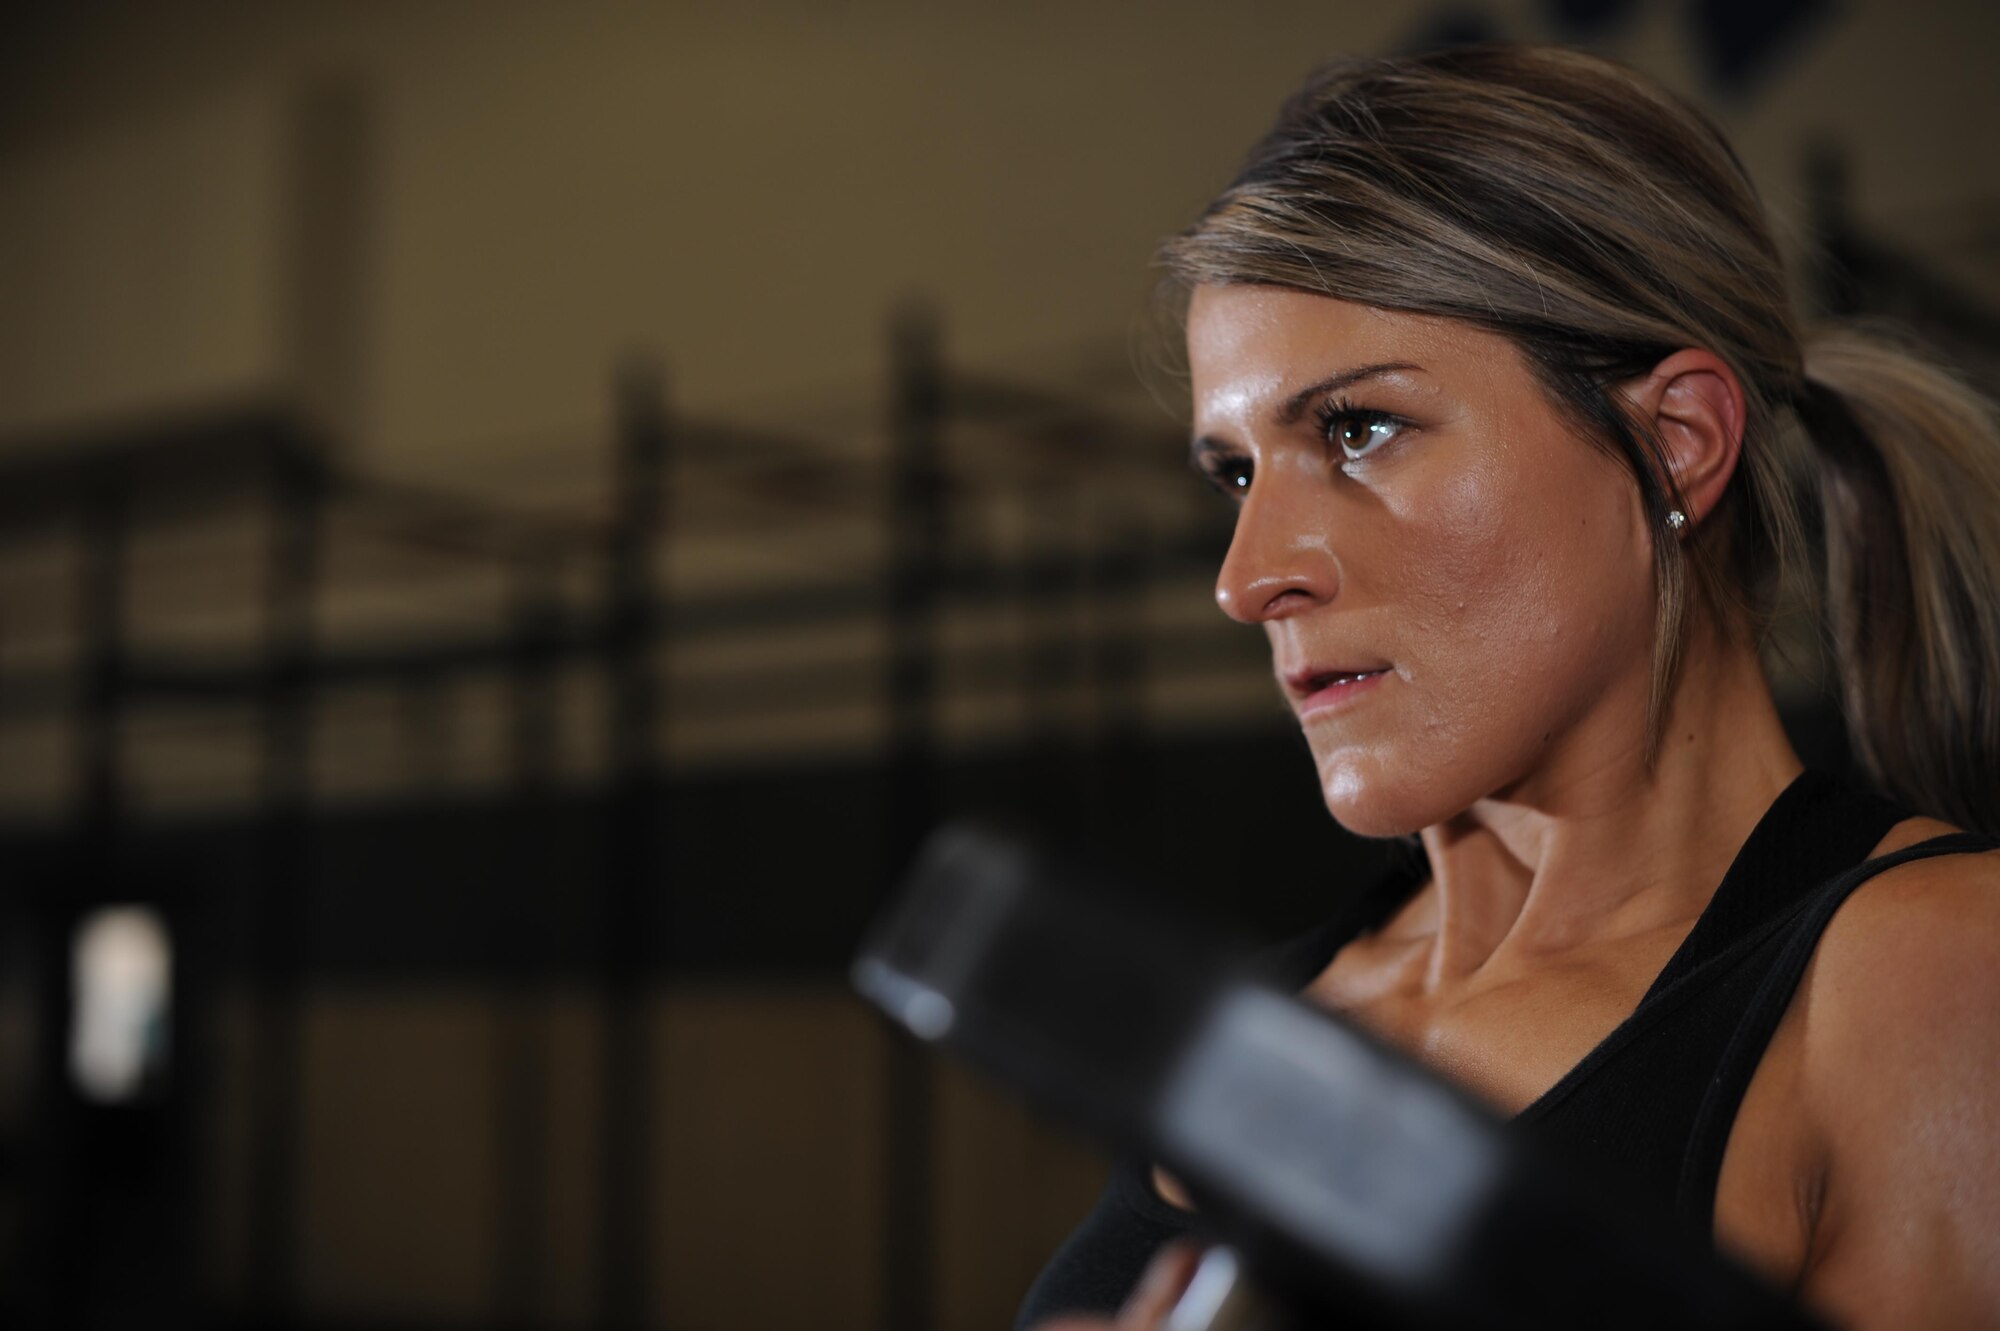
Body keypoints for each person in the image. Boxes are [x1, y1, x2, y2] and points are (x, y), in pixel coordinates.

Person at [1020, 43, 2000, 1331]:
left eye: (1358, 429)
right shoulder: (1257, 1028)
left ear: (1676, 441)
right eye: (1237, 474)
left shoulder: (1928, 979)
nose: (1248, 578)